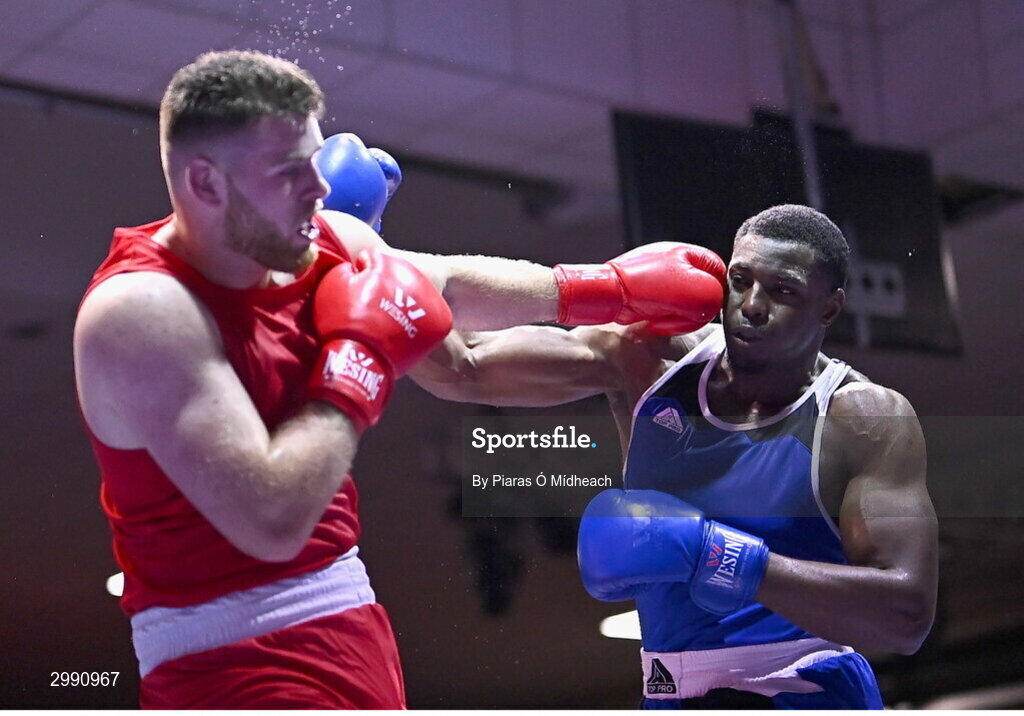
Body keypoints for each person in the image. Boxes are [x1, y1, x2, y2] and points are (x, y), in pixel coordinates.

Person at [72, 50, 727, 709]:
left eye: (316, 157)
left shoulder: (311, 238)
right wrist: (358, 361)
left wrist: (607, 297)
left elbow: (448, 310)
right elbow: (271, 519)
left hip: (350, 619)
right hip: (226, 661)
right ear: (207, 184)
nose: (320, 187)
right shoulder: (143, 314)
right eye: (290, 170)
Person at [415, 204, 938, 709]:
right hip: (668, 694)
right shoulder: (651, 360)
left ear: (830, 306)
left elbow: (906, 616)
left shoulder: (862, 417)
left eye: (782, 290)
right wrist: (383, 269)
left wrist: (721, 557)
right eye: (740, 280)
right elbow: (464, 363)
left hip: (805, 690)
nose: (752, 304)